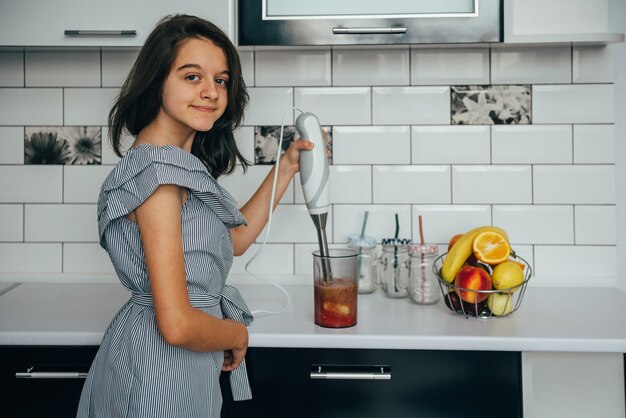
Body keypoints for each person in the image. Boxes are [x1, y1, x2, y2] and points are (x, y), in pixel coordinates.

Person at [77, 14, 313, 418]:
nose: (211, 92)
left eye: (220, 80)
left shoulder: (178, 166)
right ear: (157, 82)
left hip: (179, 364)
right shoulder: (160, 178)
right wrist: (236, 333)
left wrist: (286, 167)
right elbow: (178, 325)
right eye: (192, 77)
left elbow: (233, 240)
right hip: (158, 369)